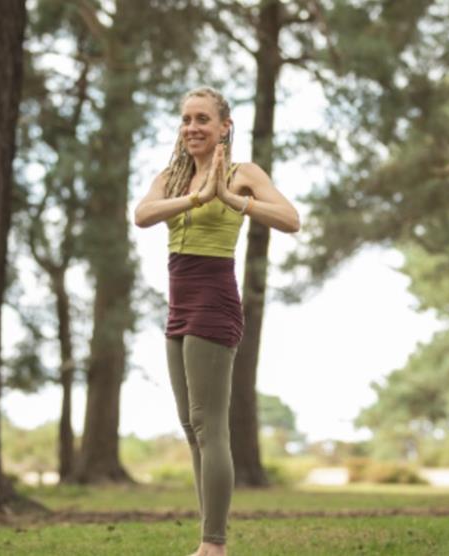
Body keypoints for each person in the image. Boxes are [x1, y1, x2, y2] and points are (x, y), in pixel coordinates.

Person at [134, 86, 300, 556]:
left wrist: (230, 198)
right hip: (179, 305)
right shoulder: (172, 177)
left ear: (225, 126)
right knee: (191, 427)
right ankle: (208, 538)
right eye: (187, 119)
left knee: (210, 426)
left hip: (214, 301)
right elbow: (142, 215)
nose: (192, 127)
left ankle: (215, 546)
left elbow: (291, 219)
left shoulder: (242, 173)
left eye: (202, 119)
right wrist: (196, 198)